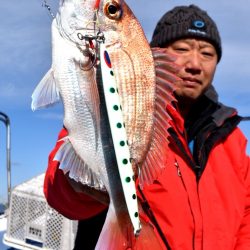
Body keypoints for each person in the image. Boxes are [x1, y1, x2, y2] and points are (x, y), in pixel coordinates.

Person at [43, 4, 250, 249]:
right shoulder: (110, 103)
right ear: (148, 53)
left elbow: (245, 219)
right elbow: (60, 193)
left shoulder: (233, 141)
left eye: (207, 53)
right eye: (182, 49)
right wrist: (79, 182)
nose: (195, 63)